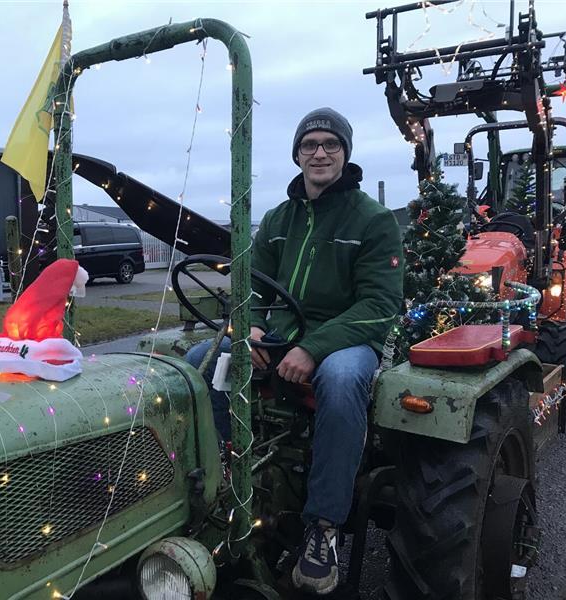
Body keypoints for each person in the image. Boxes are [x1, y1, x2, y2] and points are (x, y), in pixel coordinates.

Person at [185, 107, 404, 595]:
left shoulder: (373, 220)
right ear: (297, 155)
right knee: (197, 363)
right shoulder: (279, 219)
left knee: (344, 381)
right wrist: (255, 331)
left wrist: (312, 348)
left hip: (346, 338)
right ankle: (221, 478)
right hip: (280, 334)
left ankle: (323, 527)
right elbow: (252, 289)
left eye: (330, 144)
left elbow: (381, 302)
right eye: (310, 145)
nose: (320, 152)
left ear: (345, 153)